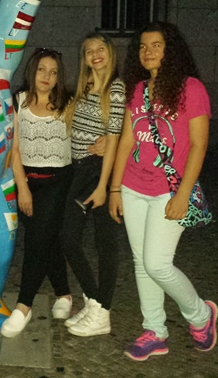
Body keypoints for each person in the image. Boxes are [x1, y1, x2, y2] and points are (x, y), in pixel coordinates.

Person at [109, 22, 217, 361]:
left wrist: (183, 194)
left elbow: (199, 145)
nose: (148, 51)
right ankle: (155, 331)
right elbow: (127, 141)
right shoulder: (138, 89)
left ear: (171, 50)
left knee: (157, 263)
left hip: (168, 190)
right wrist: (115, 188)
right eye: (142, 46)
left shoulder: (191, 89)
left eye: (156, 45)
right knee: (142, 262)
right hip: (132, 186)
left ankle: (200, 315)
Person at [1, 48, 74, 337]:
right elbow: (14, 149)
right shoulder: (17, 101)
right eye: (42, 69)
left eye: (54, 72)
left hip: (59, 181)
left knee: (36, 240)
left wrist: (104, 142)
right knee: (48, 240)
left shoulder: (68, 103)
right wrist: (23, 188)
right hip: (27, 181)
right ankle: (64, 293)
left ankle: (24, 305)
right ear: (32, 71)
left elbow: (89, 133)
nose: (47, 77)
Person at [60, 32, 125, 337]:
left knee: (100, 242)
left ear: (110, 52)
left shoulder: (115, 89)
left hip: (99, 172)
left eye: (101, 49)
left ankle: (101, 309)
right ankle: (96, 304)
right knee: (72, 239)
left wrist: (103, 187)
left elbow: (114, 138)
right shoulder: (85, 88)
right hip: (81, 170)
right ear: (84, 58)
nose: (95, 54)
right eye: (89, 51)